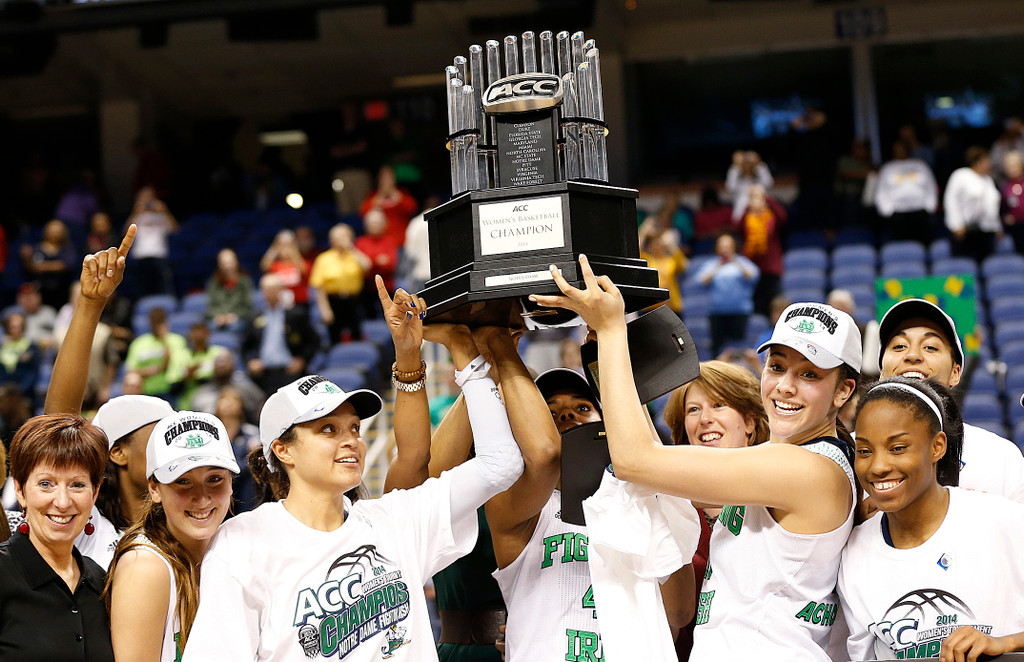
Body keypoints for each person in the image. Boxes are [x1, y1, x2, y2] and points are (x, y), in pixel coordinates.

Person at [533, 256, 861, 661]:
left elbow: (637, 462)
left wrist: (613, 329)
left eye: (809, 374)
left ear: (843, 391)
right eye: (777, 367)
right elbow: (654, 469)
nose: (785, 386)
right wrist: (604, 360)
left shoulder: (809, 469)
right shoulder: (782, 461)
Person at [182, 285, 526, 661]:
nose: (351, 441)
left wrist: (463, 350)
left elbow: (501, 463)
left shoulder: (393, 520)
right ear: (283, 450)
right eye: (328, 430)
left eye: (353, 429)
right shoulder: (242, 543)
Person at [839, 377, 1024, 661]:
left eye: (898, 448)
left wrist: (1005, 643)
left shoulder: (1004, 521)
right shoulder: (853, 554)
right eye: (864, 451)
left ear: (937, 447)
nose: (877, 466)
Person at [104, 411, 240, 662]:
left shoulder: (239, 546)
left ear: (231, 483)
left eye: (214, 479)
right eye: (183, 481)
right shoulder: (144, 567)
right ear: (154, 488)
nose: (202, 497)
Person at [661, 360, 769, 660]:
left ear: (749, 422)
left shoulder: (776, 503)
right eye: (693, 410)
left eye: (719, 404)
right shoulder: (670, 506)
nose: (705, 419)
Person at [877, 298, 1024, 501]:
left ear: (955, 373)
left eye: (930, 347)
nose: (912, 355)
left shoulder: (1000, 457)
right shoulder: (848, 454)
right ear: (881, 373)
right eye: (899, 346)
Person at [0, 413, 114, 661]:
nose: (62, 502)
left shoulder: (101, 581)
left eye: (77, 485)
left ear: (95, 494)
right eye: (46, 484)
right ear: (20, 491)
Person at [243, 274, 320, 395]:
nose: (270, 293)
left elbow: (314, 340)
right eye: (266, 289)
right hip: (262, 373)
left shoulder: (295, 315)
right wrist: (250, 361)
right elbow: (244, 346)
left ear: (281, 290)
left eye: (273, 289)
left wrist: (302, 359)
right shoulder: (254, 317)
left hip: (289, 372)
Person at [697, 233, 759, 356]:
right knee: (718, 350)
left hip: (739, 312)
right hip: (717, 313)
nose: (725, 249)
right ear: (717, 248)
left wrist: (735, 262)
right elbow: (701, 281)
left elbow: (753, 276)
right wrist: (717, 266)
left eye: (728, 246)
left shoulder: (742, 262)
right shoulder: (711, 264)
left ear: (733, 247)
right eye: (722, 246)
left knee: (739, 348)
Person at [309, 223, 369, 344]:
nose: (341, 240)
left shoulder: (355, 255)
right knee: (335, 338)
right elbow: (319, 287)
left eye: (344, 237)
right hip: (334, 301)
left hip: (354, 301)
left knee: (357, 336)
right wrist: (324, 309)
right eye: (337, 237)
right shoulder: (324, 258)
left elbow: (367, 266)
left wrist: (351, 248)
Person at [944, 146, 1002, 263]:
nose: (989, 164)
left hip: (985, 231)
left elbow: (992, 206)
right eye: (986, 161)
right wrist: (956, 224)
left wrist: (997, 226)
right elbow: (951, 200)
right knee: (965, 265)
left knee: (986, 263)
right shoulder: (960, 175)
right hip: (965, 231)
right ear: (977, 162)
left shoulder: (988, 180)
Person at [874, 140, 938, 243]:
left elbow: (931, 187)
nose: (900, 151)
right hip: (897, 214)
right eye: (897, 149)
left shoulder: (920, 165)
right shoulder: (887, 168)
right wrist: (887, 211)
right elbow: (881, 192)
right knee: (900, 245)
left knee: (923, 243)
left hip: (920, 212)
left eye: (902, 148)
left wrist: (930, 207)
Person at [737, 184, 786, 317]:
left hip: (771, 268)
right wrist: (749, 205)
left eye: (759, 197)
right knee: (756, 307)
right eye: (753, 197)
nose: (756, 200)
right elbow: (737, 226)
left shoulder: (771, 215)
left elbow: (783, 217)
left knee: (774, 303)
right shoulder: (747, 216)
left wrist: (767, 199)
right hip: (752, 268)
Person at [125, 307, 189, 401]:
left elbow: (179, 366)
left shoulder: (177, 340)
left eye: (160, 320)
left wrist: (164, 340)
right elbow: (131, 370)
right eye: (154, 321)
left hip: (171, 391)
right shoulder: (139, 343)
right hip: (146, 392)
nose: (157, 324)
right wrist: (151, 371)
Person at [127, 186, 177, 297]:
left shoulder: (161, 215)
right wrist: (135, 212)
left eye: (149, 198)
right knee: (141, 291)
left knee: (164, 289)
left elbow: (175, 229)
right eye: (143, 198)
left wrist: (166, 211)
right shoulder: (137, 216)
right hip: (140, 256)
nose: (147, 201)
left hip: (159, 255)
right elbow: (125, 232)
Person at [20, 218, 79, 309]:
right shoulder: (37, 248)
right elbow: (30, 268)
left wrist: (40, 267)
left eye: (58, 231)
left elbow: (67, 265)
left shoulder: (68, 249)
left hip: (62, 289)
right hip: (41, 289)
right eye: (52, 231)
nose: (55, 233)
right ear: (46, 231)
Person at [354, 208, 400, 320]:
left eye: (377, 223)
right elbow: (360, 267)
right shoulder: (360, 242)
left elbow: (390, 265)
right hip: (366, 288)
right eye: (371, 223)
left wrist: (370, 262)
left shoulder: (390, 241)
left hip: (387, 286)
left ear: (384, 224)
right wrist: (377, 261)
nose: (374, 226)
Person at [360, 165, 419, 246]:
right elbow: (364, 213)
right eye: (383, 177)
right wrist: (380, 196)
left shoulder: (402, 193)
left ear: (394, 178)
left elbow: (412, 208)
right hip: (380, 243)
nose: (386, 180)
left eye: (389, 177)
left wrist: (395, 195)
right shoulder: (373, 196)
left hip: (401, 242)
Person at [260, 229, 312, 312]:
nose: (285, 249)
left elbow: (304, 270)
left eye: (288, 246)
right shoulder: (276, 265)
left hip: (299, 304)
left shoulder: (298, 263)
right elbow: (264, 266)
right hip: (279, 305)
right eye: (282, 246)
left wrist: (293, 248)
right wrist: (275, 247)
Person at [205, 247, 255, 333]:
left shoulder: (245, 282)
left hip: (238, 318)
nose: (227, 266)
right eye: (224, 263)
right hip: (218, 319)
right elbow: (210, 307)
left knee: (236, 327)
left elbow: (248, 307)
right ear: (219, 264)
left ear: (236, 262)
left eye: (230, 262)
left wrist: (234, 316)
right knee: (211, 326)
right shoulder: (214, 283)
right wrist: (219, 316)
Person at [0, 312, 42, 408]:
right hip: (3, 390)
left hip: (24, 391)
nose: (15, 330)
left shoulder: (31, 346)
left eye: (18, 327)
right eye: (12, 327)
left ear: (23, 328)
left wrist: (21, 390)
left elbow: (33, 373)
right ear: (7, 328)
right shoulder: (2, 345)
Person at [725, 150, 774, 221]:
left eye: (750, 164)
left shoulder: (758, 177)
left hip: (760, 211)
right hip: (741, 211)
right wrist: (735, 167)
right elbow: (730, 188)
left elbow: (769, 183)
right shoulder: (737, 176)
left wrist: (759, 165)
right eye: (745, 164)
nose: (747, 166)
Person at [1000, 150, 1024, 251]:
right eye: (1009, 166)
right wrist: (1006, 217)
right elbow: (1003, 209)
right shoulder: (1004, 186)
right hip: (1016, 230)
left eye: (1015, 165)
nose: (1012, 169)